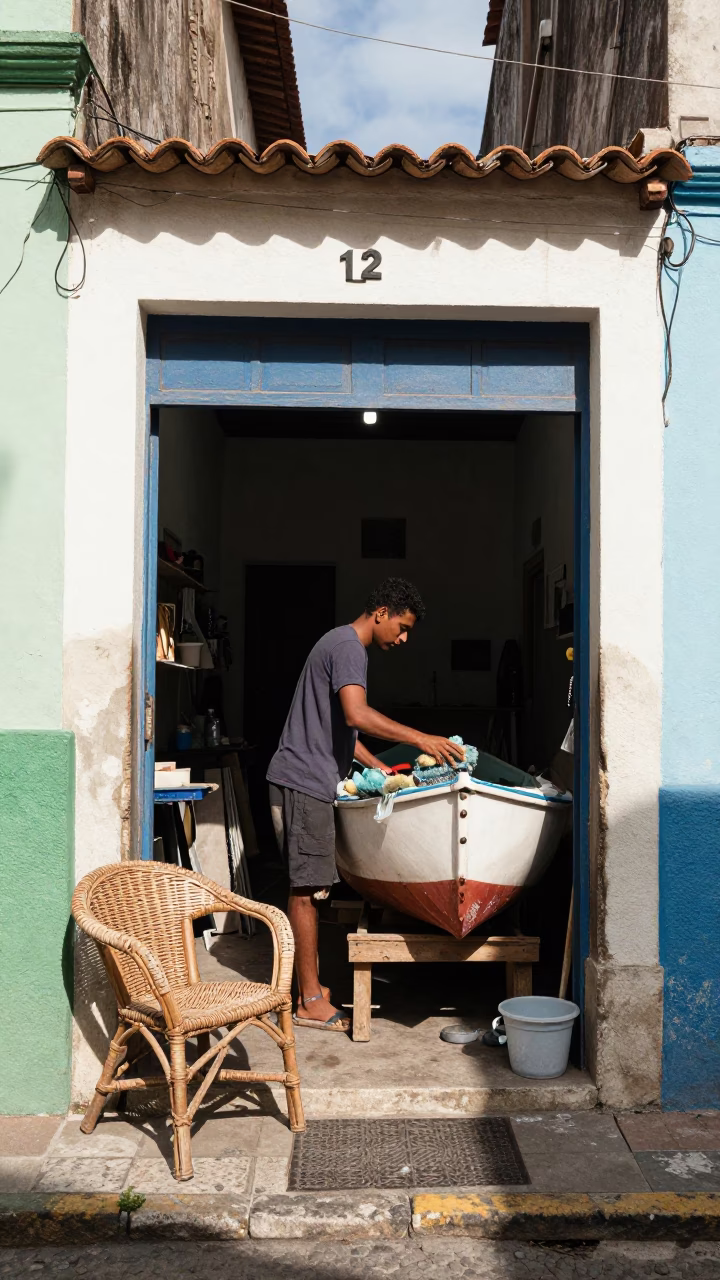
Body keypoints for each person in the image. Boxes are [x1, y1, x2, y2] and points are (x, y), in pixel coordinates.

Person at [267, 577, 464, 1031]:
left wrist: (380, 770)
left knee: (310, 886)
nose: (404, 637)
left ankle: (309, 991)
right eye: (403, 626)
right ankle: (310, 1000)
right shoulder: (350, 648)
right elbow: (356, 714)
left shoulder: (337, 643)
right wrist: (422, 737)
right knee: (307, 890)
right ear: (381, 613)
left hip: (306, 778)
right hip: (305, 781)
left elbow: (341, 730)